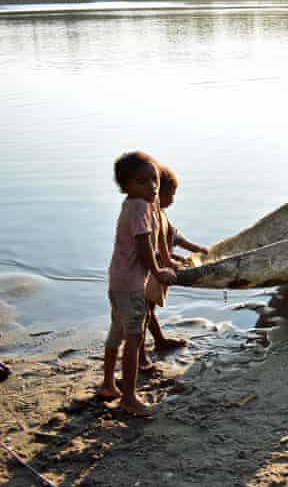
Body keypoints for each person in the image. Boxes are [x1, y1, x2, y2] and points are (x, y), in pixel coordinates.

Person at [100, 151, 176, 417]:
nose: (152, 186)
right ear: (126, 186)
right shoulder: (141, 207)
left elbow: (158, 236)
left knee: (116, 332)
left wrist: (166, 260)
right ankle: (129, 397)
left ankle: (109, 384)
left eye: (154, 179)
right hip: (132, 284)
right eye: (142, 182)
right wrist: (158, 271)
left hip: (117, 280)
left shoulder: (133, 203)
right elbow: (144, 244)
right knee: (133, 339)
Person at [139, 165, 207, 370]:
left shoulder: (161, 214)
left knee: (148, 310)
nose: (174, 199)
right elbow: (147, 248)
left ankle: (158, 340)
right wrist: (168, 258)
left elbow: (174, 236)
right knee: (143, 312)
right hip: (147, 273)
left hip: (160, 271)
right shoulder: (148, 216)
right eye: (172, 194)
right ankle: (140, 354)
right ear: (159, 193)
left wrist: (196, 248)